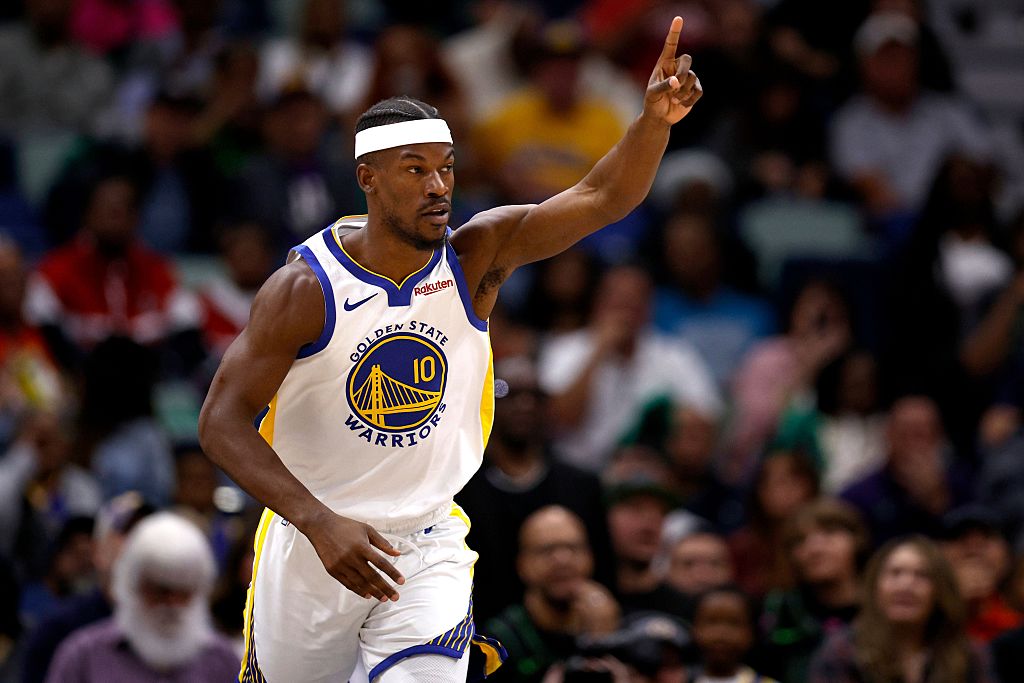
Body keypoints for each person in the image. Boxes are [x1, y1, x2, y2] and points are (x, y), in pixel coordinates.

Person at [198, 16, 702, 683]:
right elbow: (220, 423)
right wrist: (318, 521)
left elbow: (601, 195)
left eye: (447, 168)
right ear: (368, 179)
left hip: (426, 540)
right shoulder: (305, 288)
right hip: (313, 541)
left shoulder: (473, 257)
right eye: (416, 170)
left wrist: (653, 123)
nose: (439, 187)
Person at [45, 511, 238, 682]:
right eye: (161, 590)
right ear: (133, 586)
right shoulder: (82, 657)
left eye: (183, 592)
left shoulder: (223, 663)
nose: (172, 603)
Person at [808, 536, 994, 683]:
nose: (906, 585)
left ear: (940, 591)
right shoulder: (842, 651)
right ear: (875, 587)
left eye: (922, 575)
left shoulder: (969, 655)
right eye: (895, 573)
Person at [486, 506, 619, 683]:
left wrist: (605, 642)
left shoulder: (618, 622)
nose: (562, 559)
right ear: (522, 565)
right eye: (546, 550)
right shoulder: (497, 643)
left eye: (573, 547)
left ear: (591, 557)